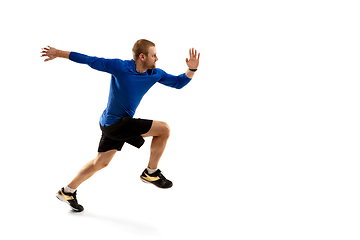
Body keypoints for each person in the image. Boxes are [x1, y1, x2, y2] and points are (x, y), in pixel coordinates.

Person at [40, 39, 200, 212]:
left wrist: (191, 69)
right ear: (142, 56)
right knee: (164, 129)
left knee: (100, 163)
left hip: (110, 124)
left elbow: (178, 82)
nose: (157, 58)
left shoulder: (155, 74)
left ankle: (67, 191)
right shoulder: (120, 67)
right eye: (154, 55)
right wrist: (58, 53)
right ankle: (151, 173)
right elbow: (89, 60)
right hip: (115, 123)